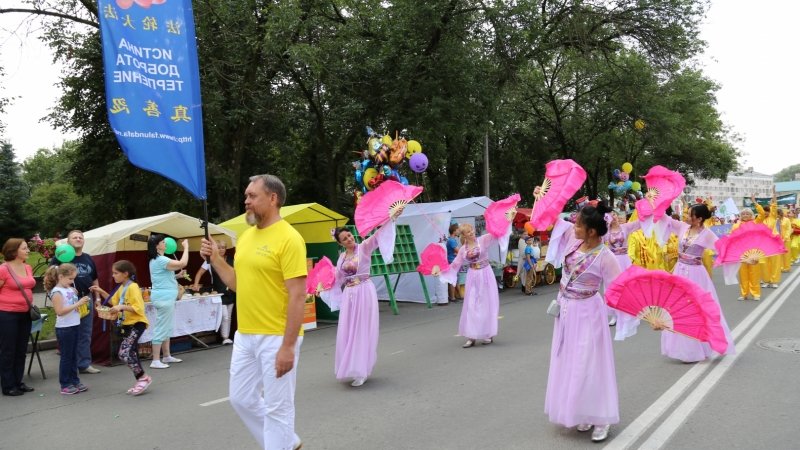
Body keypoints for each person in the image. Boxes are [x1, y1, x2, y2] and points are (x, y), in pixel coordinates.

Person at [200, 174, 307, 450]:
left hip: (276, 335)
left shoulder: (289, 239)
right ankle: (288, 442)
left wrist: (288, 346)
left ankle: (280, 444)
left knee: (278, 408)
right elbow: (237, 283)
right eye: (246, 195)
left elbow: (298, 296)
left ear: (273, 199)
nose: (246, 201)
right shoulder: (247, 237)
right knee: (241, 398)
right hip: (245, 334)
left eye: (252, 196)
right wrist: (216, 260)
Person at [535, 189, 622, 443]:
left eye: (579, 225)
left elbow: (619, 291)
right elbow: (550, 217)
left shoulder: (606, 257)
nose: (574, 227)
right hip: (566, 311)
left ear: (592, 231)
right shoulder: (573, 242)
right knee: (571, 362)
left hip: (589, 313)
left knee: (590, 364)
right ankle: (582, 411)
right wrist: (542, 197)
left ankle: (601, 419)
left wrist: (643, 316)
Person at [330, 210, 401, 387]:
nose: (349, 239)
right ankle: (351, 366)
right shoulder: (341, 258)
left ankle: (361, 369)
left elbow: (378, 236)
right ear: (340, 243)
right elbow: (338, 279)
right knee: (349, 330)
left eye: (350, 235)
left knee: (361, 329)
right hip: (349, 295)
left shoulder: (364, 247)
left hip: (363, 291)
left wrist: (391, 217)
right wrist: (322, 286)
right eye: (345, 238)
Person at [659, 204, 735, 362]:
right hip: (679, 271)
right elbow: (663, 218)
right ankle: (680, 349)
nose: (687, 217)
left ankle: (695, 349)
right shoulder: (682, 227)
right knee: (676, 308)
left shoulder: (707, 235)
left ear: (699, 219)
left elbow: (724, 251)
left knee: (696, 309)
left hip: (696, 275)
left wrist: (747, 259)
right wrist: (658, 204)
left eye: (690, 215)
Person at [437, 223, 505, 348]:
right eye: (468, 232)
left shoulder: (483, 240)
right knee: (471, 305)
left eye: (472, 230)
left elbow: (497, 232)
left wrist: (507, 220)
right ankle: (471, 335)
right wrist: (440, 272)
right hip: (472, 276)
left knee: (486, 303)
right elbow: (455, 265)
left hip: (486, 274)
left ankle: (488, 334)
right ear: (463, 235)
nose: (472, 233)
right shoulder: (463, 250)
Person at [91, 261, 152, 395]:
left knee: (124, 353)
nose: (113, 276)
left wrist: (121, 307)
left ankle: (143, 378)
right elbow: (114, 301)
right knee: (132, 353)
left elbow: (138, 308)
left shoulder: (133, 287)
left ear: (125, 274)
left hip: (137, 324)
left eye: (116, 273)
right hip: (127, 324)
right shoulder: (122, 287)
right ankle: (141, 379)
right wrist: (101, 291)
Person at [50, 230, 101, 374]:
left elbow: (95, 279)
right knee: (70, 332)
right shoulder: (60, 257)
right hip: (67, 300)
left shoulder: (88, 258)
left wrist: (97, 298)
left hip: (86, 298)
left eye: (80, 237)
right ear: (68, 241)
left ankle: (84, 364)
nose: (78, 239)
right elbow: (51, 277)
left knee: (85, 333)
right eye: (75, 237)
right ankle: (70, 366)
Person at [44, 263, 90, 395]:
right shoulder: (57, 292)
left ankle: (74, 380)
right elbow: (60, 311)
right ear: (60, 277)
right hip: (65, 328)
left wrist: (79, 303)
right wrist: (77, 303)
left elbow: (71, 305)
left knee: (74, 355)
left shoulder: (69, 289)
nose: (72, 281)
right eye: (70, 279)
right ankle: (65, 383)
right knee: (66, 357)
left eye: (73, 279)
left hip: (74, 325)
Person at [0, 239, 37, 396]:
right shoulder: (3, 269)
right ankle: (8, 385)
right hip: (7, 314)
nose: (28, 250)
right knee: (8, 350)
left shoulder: (27, 267)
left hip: (25, 313)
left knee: (21, 349)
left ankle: (18, 382)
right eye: (24, 248)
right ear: (14, 251)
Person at [147, 234, 189, 369]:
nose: (166, 244)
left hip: (165, 296)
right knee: (161, 327)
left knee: (166, 326)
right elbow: (182, 263)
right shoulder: (161, 260)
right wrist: (186, 247)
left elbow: (164, 276)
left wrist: (177, 275)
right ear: (157, 246)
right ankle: (155, 360)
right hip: (164, 297)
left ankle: (166, 355)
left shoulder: (157, 260)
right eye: (163, 242)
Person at [193, 240, 236, 345]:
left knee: (229, 315)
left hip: (231, 292)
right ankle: (222, 336)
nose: (221, 250)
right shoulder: (210, 260)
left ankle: (225, 337)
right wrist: (195, 284)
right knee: (224, 315)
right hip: (218, 292)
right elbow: (200, 272)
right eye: (219, 247)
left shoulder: (232, 260)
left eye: (223, 247)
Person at [602, 210, 640, 328]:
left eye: (615, 214)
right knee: (611, 287)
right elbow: (599, 244)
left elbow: (639, 223)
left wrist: (648, 210)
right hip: (612, 261)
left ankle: (627, 312)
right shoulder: (605, 232)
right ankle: (614, 314)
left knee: (626, 287)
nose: (613, 217)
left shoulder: (625, 228)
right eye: (610, 215)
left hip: (624, 260)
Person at [732, 207, 764, 301]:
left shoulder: (755, 222)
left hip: (753, 251)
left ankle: (756, 293)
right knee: (743, 274)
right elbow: (731, 237)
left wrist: (755, 203)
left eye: (747, 214)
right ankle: (744, 293)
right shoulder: (736, 225)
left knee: (754, 273)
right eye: (743, 214)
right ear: (740, 216)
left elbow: (762, 214)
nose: (745, 215)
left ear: (751, 215)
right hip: (741, 252)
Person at [446, 224, 462, 302]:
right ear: (454, 231)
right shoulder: (452, 240)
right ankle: (452, 297)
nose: (459, 231)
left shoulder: (451, 240)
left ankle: (458, 295)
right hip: (452, 261)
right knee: (452, 279)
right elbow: (458, 251)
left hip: (453, 261)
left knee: (455, 278)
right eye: (458, 230)